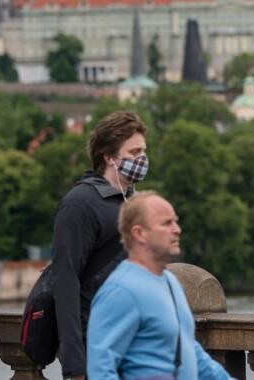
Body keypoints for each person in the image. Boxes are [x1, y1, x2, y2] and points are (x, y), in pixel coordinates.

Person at [87, 192, 232, 380]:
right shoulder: (120, 291)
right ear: (139, 233)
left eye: (175, 221)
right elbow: (100, 371)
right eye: (166, 223)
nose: (177, 229)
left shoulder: (169, 281)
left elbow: (189, 351)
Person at [52, 110, 148, 379]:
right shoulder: (80, 204)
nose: (142, 159)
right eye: (134, 152)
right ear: (108, 157)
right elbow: (65, 280)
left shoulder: (133, 202)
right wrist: (75, 365)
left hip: (130, 346)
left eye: (144, 151)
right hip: (95, 347)